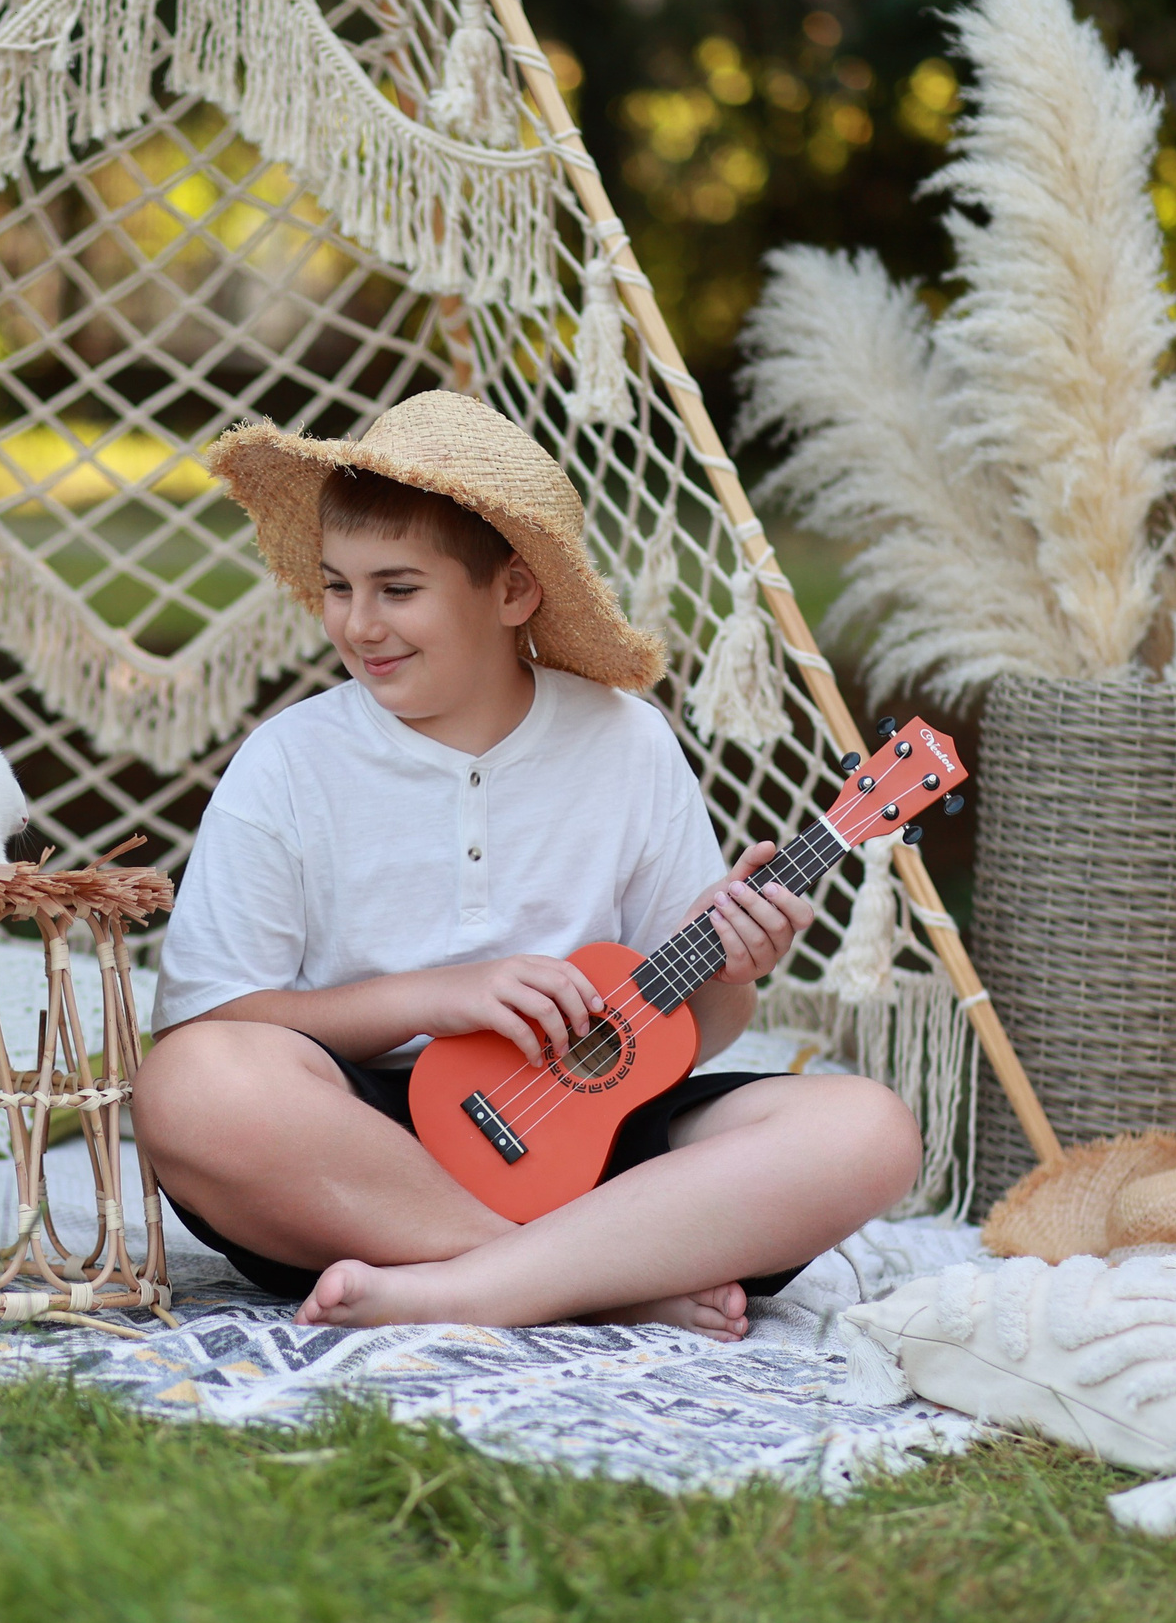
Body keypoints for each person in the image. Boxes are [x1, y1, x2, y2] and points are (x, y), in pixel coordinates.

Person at [132, 392, 921, 1341]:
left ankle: (473, 1286)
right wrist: (436, 997)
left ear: (512, 592)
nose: (358, 624)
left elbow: (685, 1036)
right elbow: (217, 1016)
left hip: (584, 1140)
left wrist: (737, 966)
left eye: (398, 588)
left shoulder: (625, 742)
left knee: (868, 1129)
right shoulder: (290, 760)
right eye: (339, 585)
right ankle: (589, 1282)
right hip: (358, 1147)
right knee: (190, 1084)